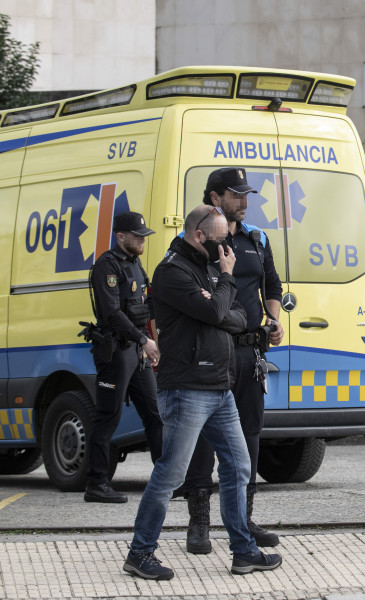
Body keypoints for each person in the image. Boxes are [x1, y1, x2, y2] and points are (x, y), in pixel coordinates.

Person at [123, 205, 282, 580]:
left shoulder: (207, 269)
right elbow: (215, 314)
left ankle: (243, 551)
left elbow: (239, 315)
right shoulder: (172, 272)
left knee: (239, 466)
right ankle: (140, 553)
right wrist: (222, 290)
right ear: (199, 236)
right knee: (171, 474)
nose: (227, 248)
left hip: (219, 387)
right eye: (221, 240)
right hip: (187, 389)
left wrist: (217, 301)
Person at [179, 167, 284, 555]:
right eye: (236, 195)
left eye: (246, 194)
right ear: (213, 198)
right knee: (205, 439)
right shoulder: (196, 241)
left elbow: (270, 284)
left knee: (250, 437)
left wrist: (273, 318)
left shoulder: (257, 238)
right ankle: (199, 523)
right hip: (210, 352)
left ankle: (243, 519)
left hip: (248, 351)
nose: (244, 201)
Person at [83, 211, 163, 503]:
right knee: (108, 417)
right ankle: (97, 484)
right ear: (120, 236)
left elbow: (146, 306)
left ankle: (166, 480)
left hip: (135, 351)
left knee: (155, 415)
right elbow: (112, 314)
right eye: (138, 236)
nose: (143, 240)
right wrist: (144, 339)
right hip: (116, 351)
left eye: (144, 236)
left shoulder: (135, 265)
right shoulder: (107, 266)